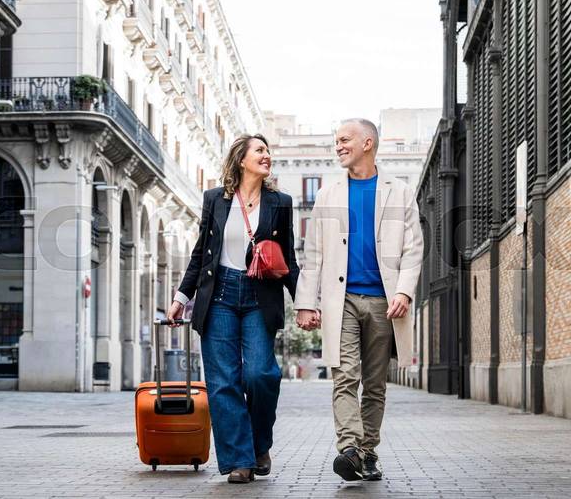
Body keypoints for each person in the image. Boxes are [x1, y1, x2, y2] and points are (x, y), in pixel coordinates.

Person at [294, 118, 423, 482]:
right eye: (336, 141)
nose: (338, 146)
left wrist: (404, 291)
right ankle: (349, 448)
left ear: (368, 143)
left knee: (376, 383)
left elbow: (414, 249)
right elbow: (314, 252)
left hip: (385, 300)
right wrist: (307, 301)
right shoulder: (327, 194)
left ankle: (367, 453)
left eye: (344, 140)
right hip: (343, 299)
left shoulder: (399, 192)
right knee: (344, 374)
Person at [167, 134, 298, 484]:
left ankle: (259, 445)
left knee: (260, 374)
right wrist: (181, 298)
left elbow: (289, 260)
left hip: (260, 294)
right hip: (219, 293)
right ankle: (240, 460)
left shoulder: (280, 202)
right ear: (241, 159)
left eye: (268, 150)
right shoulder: (215, 199)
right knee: (223, 381)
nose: (266, 155)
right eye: (259, 150)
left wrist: (305, 304)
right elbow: (200, 253)